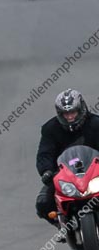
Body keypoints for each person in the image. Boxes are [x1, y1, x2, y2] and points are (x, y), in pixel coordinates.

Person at [35, 89, 99, 237]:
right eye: (66, 114)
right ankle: (61, 225)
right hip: (64, 175)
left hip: (95, 170)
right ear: (60, 113)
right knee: (43, 203)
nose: (70, 117)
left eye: (73, 112)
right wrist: (46, 171)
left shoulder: (96, 124)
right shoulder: (50, 129)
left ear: (81, 109)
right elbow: (45, 153)